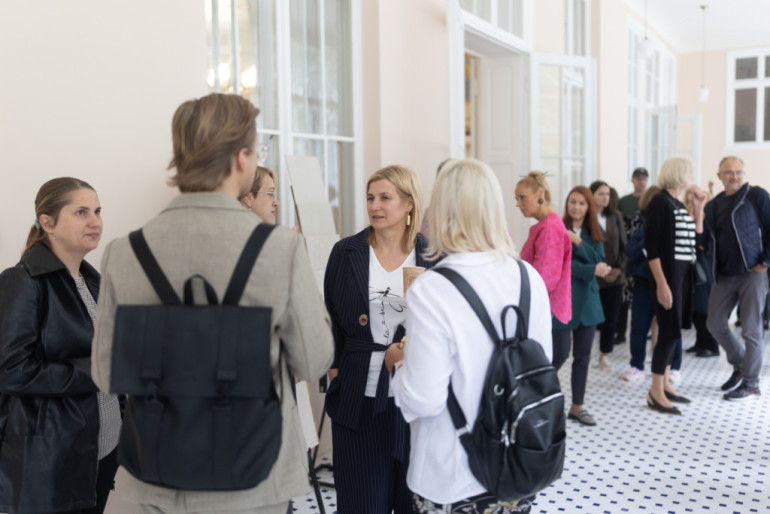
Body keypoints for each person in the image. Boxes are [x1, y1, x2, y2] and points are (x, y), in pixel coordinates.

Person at [91, 93, 334, 514]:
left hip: (158, 471)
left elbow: (104, 373)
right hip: (253, 474)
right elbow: (314, 360)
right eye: (256, 151)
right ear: (241, 158)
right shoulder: (279, 249)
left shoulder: (124, 252)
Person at [386, 158, 552, 514]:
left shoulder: (432, 288)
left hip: (452, 475)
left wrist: (397, 365)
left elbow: (424, 399)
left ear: (442, 211)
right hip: (517, 467)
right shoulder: (529, 279)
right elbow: (542, 367)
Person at [0, 177, 120, 514]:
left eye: (97, 211)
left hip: (103, 450)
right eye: (81, 212)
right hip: (53, 459)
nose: (95, 221)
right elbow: (11, 372)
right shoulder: (22, 280)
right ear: (47, 222)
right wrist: (99, 370)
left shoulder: (93, 282)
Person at [324, 164, 431, 514]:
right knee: (361, 504)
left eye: (385, 198)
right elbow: (332, 321)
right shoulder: (346, 252)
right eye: (370, 198)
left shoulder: (432, 255)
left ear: (409, 203)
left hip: (415, 402)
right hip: (358, 399)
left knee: (413, 504)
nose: (375, 206)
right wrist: (336, 374)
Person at [703, 156, 770, 400]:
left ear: (743, 174)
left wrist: (765, 262)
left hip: (752, 273)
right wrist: (698, 212)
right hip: (724, 275)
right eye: (729, 172)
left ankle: (751, 383)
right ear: (719, 176)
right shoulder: (713, 206)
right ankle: (740, 364)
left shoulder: (756, 196)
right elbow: (706, 241)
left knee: (751, 330)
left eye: (738, 172)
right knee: (714, 323)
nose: (734, 176)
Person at [644, 157, 705, 414]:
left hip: (682, 274)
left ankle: (665, 384)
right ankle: (655, 392)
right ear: (678, 173)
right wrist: (662, 284)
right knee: (668, 332)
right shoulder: (659, 202)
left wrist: (699, 209)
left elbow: (697, 238)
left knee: (674, 331)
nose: (692, 175)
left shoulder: (677, 203)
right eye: (689, 171)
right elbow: (651, 247)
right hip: (668, 275)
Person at [552, 186, 611, 427]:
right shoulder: (556, 229)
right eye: (572, 202)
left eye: (581, 203)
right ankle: (546, 400)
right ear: (567, 204)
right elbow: (562, 266)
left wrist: (577, 242)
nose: (576, 207)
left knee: (583, 358)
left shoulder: (594, 233)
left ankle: (577, 406)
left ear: (588, 207)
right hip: (563, 302)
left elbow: (600, 261)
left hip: (588, 304)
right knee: (559, 355)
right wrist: (591, 270)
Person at [515, 171, 572, 325]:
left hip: (544, 306)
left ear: (540, 194)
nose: (518, 204)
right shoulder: (547, 224)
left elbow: (545, 279)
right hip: (544, 305)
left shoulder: (549, 227)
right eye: (517, 199)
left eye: (522, 197)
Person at [623, 185, 662, 381]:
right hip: (643, 283)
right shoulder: (641, 225)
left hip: (665, 284)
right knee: (639, 327)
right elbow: (630, 251)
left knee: (668, 327)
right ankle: (636, 364)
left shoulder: (670, 223)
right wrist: (648, 242)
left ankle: (672, 366)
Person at [590, 181, 627, 369]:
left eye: (607, 194)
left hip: (614, 276)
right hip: (594, 276)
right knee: (591, 318)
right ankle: (586, 352)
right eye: (600, 193)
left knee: (611, 319)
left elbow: (624, 245)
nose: (605, 197)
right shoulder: (586, 217)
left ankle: (604, 354)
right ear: (592, 195)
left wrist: (618, 269)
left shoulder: (615, 216)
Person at [683, 186, 720, 358]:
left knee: (705, 309)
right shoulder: (688, 219)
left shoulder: (708, 221)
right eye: (689, 202)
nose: (691, 205)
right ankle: (700, 343)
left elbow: (703, 245)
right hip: (692, 270)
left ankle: (712, 346)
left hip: (705, 270)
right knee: (697, 309)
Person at [616, 167, 648, 345]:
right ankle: (620, 331)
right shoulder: (624, 202)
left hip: (644, 254)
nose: (641, 181)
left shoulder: (651, 200)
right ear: (633, 180)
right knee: (624, 292)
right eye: (638, 178)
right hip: (627, 250)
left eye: (644, 178)